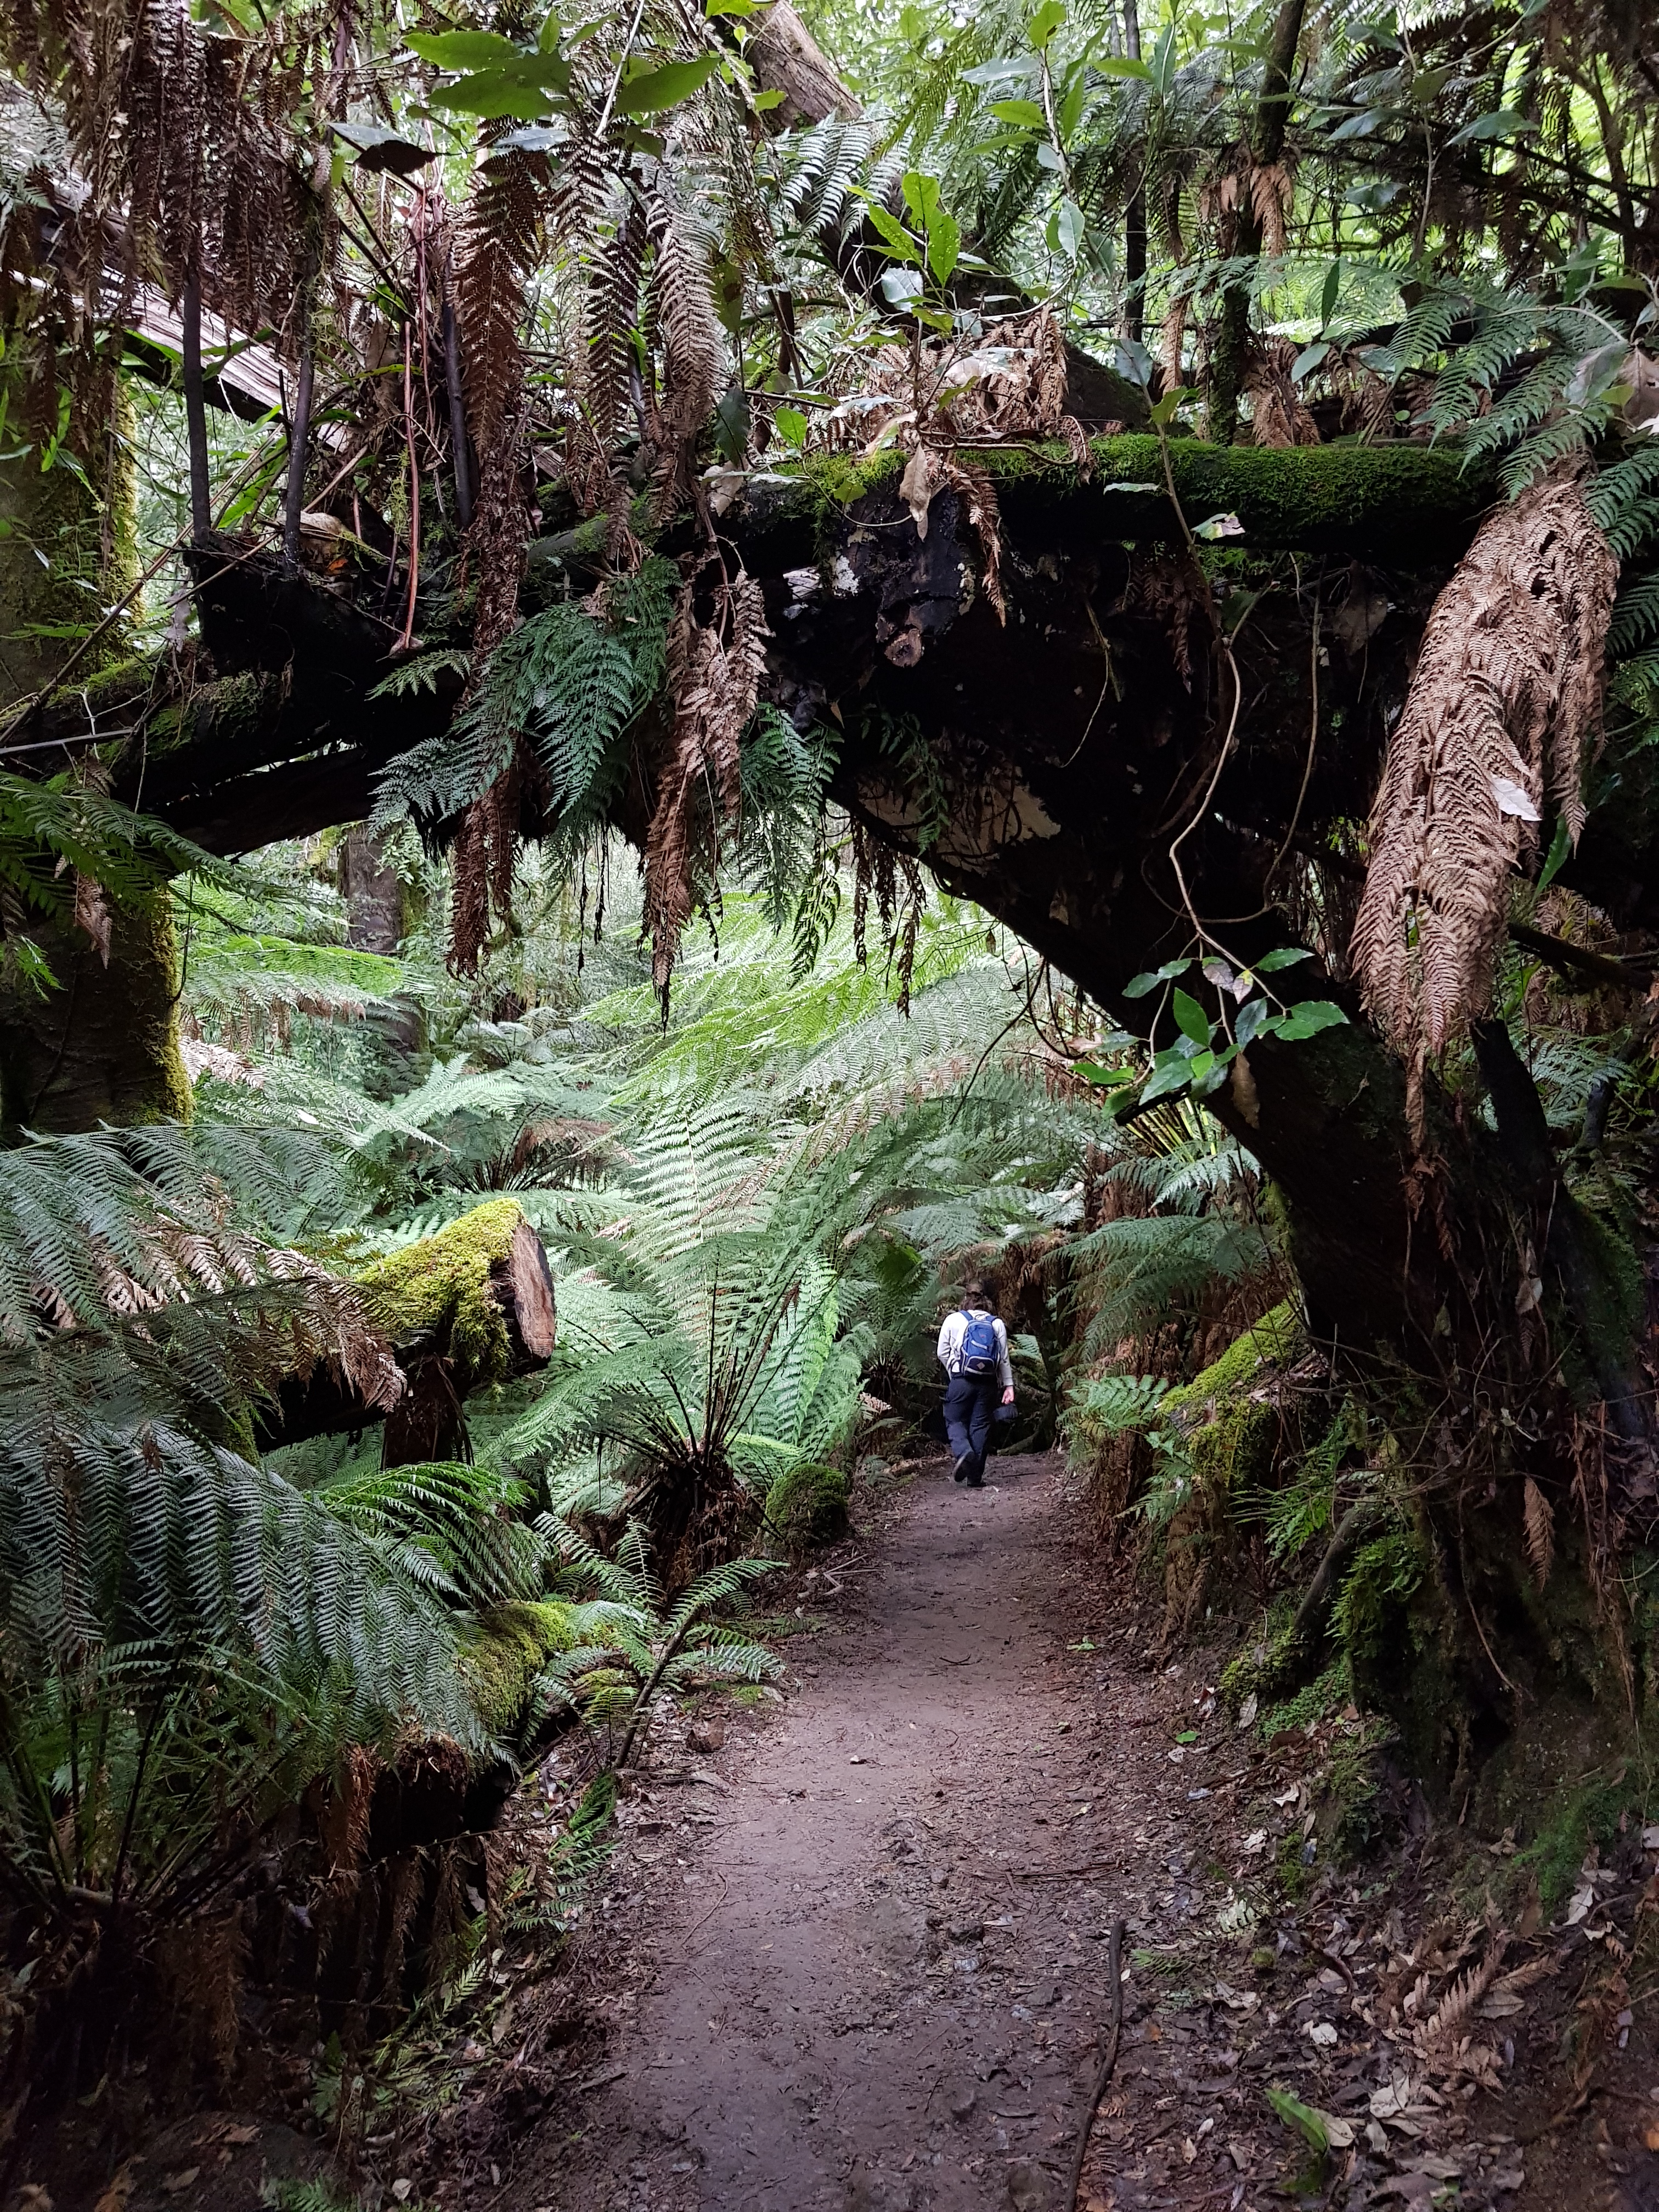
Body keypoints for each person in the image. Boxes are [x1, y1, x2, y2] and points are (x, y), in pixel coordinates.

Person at [936, 1278, 1014, 1488]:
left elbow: (941, 1352)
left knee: (954, 1420)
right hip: (987, 1384)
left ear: (965, 1299)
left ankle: (964, 1453)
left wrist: (954, 1370)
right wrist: (1009, 1386)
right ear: (985, 1301)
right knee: (980, 1425)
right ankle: (975, 1478)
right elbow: (1003, 1358)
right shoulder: (996, 1323)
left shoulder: (953, 1320)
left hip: (961, 1380)